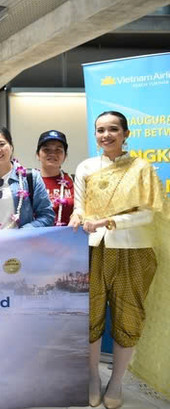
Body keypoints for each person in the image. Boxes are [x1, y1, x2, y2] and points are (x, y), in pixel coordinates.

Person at [69, 111, 165, 409]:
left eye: (113, 129)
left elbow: (149, 213)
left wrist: (109, 221)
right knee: (90, 316)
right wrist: (77, 216)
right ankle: (93, 378)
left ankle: (117, 381)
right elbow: (80, 206)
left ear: (126, 134)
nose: (106, 135)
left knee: (128, 316)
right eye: (100, 130)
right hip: (93, 250)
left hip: (133, 251)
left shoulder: (141, 168)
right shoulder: (86, 166)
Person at [0, 126, 54, 229]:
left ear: (11, 146)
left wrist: (23, 232)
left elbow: (47, 216)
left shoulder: (31, 178)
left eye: (2, 144)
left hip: (21, 243)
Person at [36, 130, 74, 226]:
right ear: (38, 155)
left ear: (65, 156)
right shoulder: (29, 182)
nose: (52, 153)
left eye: (58, 150)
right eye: (46, 150)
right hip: (36, 238)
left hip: (68, 238)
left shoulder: (74, 181)